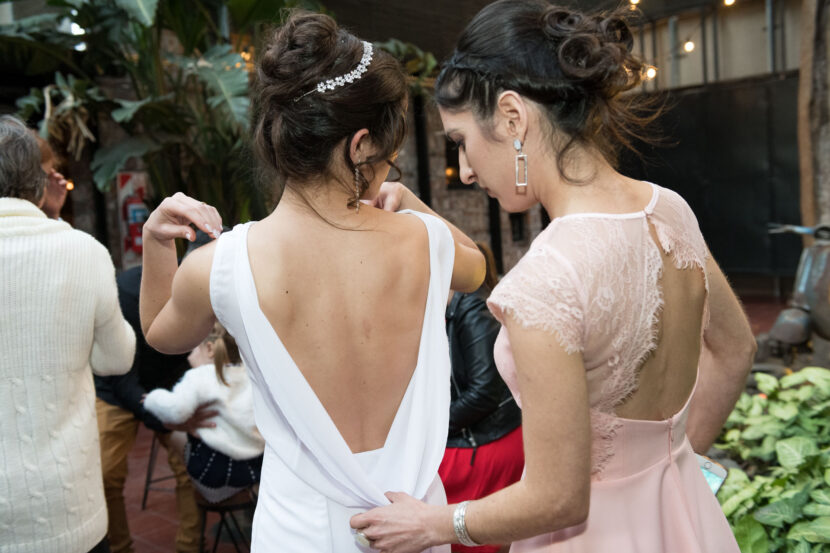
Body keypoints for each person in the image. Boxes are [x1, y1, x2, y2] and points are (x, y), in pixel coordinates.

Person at [349, 2, 756, 552]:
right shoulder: (668, 210)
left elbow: (558, 498)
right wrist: (670, 465)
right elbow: (735, 349)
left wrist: (434, 524)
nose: (465, 171)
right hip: (681, 512)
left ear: (512, 117)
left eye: (461, 141)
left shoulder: (545, 280)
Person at [137, 10, 485, 553]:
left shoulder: (221, 265)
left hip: (298, 530)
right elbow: (477, 265)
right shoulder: (424, 240)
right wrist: (411, 202)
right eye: (391, 149)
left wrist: (155, 241)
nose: (391, 162)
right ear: (361, 144)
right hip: (414, 520)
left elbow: (161, 334)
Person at [0, 114, 136, 553]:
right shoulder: (82, 251)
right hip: (67, 505)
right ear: (39, 183)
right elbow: (115, 359)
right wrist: (56, 223)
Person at [94, 264, 206, 553]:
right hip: (115, 388)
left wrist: (179, 409)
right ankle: (120, 548)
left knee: (192, 466)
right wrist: (163, 419)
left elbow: (188, 360)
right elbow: (124, 380)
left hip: (169, 387)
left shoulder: (194, 293)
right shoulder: (123, 298)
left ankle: (189, 548)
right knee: (105, 475)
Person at [441, 241, 523, 553]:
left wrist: (434, 428)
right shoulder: (448, 307)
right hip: (469, 432)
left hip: (487, 437)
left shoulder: (472, 309)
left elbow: (484, 392)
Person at [143, 323, 265, 504]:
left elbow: (177, 411)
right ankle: (249, 493)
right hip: (255, 467)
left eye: (194, 349)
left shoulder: (199, 377)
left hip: (214, 472)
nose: (189, 356)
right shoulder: (249, 373)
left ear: (209, 349)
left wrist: (152, 399)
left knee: (176, 436)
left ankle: (211, 498)